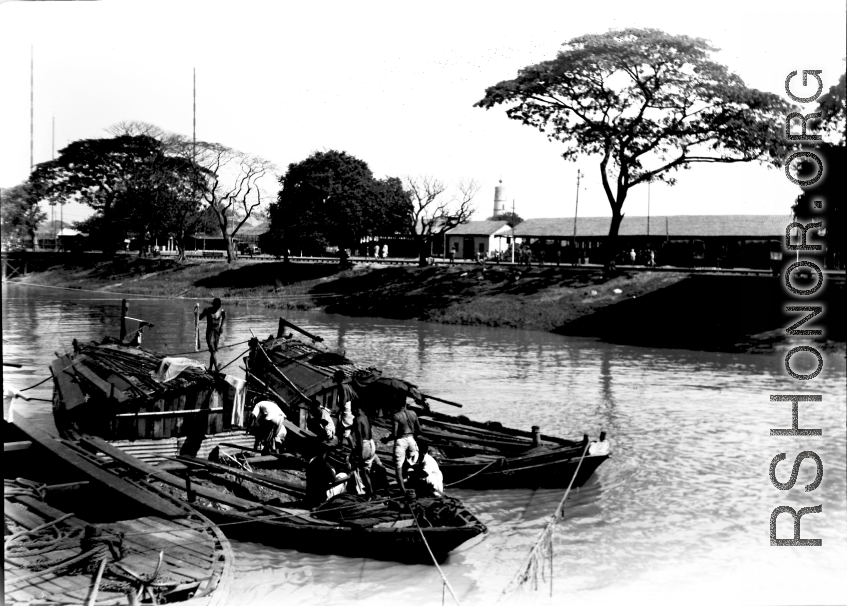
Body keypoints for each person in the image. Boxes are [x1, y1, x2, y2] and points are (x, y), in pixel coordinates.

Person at [382, 401, 422, 493]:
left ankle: (403, 491)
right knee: (412, 464)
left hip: (401, 441)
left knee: (398, 468)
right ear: (405, 405)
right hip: (411, 440)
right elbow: (419, 430)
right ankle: (414, 486)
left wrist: (386, 439)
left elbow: (395, 434)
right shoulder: (413, 413)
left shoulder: (396, 416)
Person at [350, 401, 385, 496]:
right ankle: (372, 488)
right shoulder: (365, 417)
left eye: (352, 409)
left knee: (363, 470)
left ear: (356, 409)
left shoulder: (357, 419)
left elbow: (360, 437)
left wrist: (359, 453)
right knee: (367, 468)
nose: (352, 412)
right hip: (371, 443)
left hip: (365, 445)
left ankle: (370, 493)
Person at [306, 442, 346, 508]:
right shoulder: (325, 466)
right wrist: (349, 477)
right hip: (321, 498)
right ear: (325, 453)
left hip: (310, 495)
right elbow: (334, 481)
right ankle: (335, 504)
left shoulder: (312, 461)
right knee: (343, 476)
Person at [199, 297, 226, 371]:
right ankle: (217, 368)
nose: (216, 308)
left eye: (218, 307)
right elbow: (200, 318)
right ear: (213, 305)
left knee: (213, 351)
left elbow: (224, 317)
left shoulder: (221, 311)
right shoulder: (207, 310)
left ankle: (210, 368)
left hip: (217, 331)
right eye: (215, 306)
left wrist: (221, 326)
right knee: (212, 349)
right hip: (210, 331)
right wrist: (197, 313)